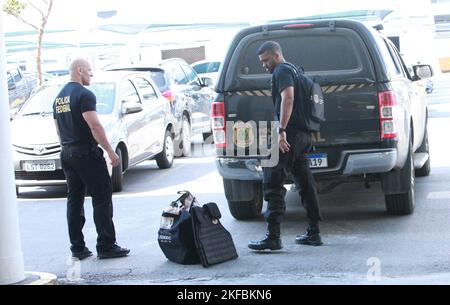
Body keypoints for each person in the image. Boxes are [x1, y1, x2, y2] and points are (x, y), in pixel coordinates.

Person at [248, 41, 323, 251]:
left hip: (289, 135)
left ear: (277, 55)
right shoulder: (295, 69)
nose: (264, 65)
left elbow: (287, 98)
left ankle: (273, 237)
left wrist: (281, 131)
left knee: (272, 179)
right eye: (261, 62)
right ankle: (314, 232)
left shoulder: (281, 71)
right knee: (305, 182)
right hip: (304, 136)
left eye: (266, 60)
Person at [53, 58, 130, 260]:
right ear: (79, 70)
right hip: (86, 152)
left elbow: (58, 131)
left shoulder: (59, 98)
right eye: (89, 70)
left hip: (67, 152)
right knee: (102, 196)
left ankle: (77, 248)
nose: (91, 74)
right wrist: (111, 152)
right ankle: (106, 245)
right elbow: (94, 125)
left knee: (74, 200)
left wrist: (68, 150)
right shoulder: (84, 95)